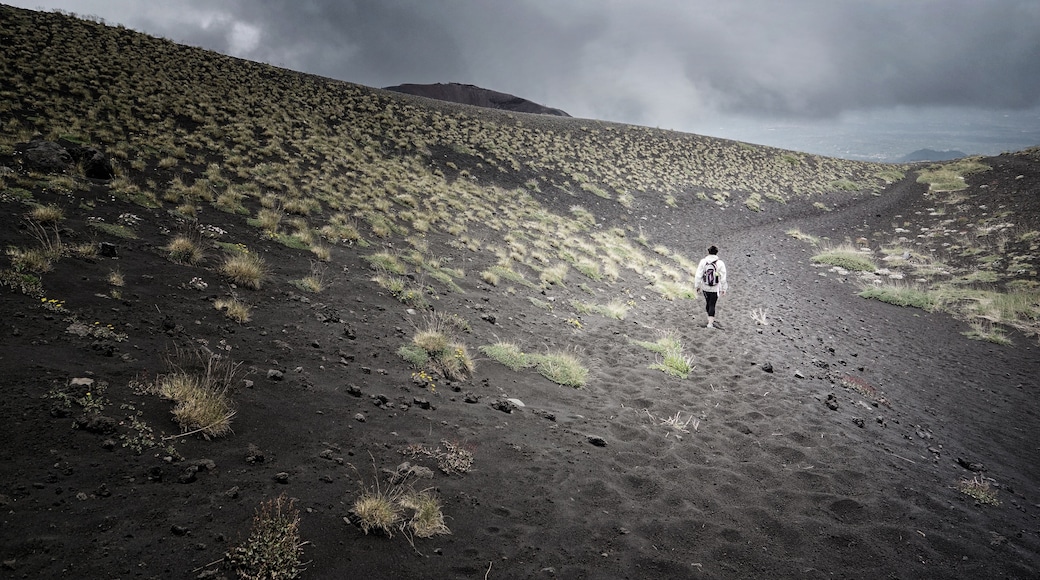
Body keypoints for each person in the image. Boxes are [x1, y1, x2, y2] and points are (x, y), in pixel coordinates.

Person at [694, 245, 728, 329]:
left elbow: (698, 275)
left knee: (708, 303)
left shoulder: (703, 261)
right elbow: (723, 277)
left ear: (708, 252)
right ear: (717, 252)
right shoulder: (720, 263)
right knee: (712, 304)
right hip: (715, 287)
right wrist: (724, 288)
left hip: (705, 286)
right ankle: (710, 323)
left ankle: (710, 318)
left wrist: (697, 286)